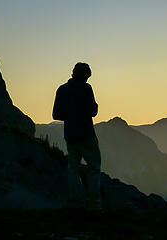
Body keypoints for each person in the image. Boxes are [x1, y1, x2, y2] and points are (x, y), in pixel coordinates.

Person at [52, 62, 101, 209]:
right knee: (93, 167)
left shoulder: (62, 89)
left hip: (70, 135)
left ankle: (75, 201)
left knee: (73, 168)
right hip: (86, 134)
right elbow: (93, 111)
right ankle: (93, 202)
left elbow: (56, 114)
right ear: (86, 76)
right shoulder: (86, 88)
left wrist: (70, 116)